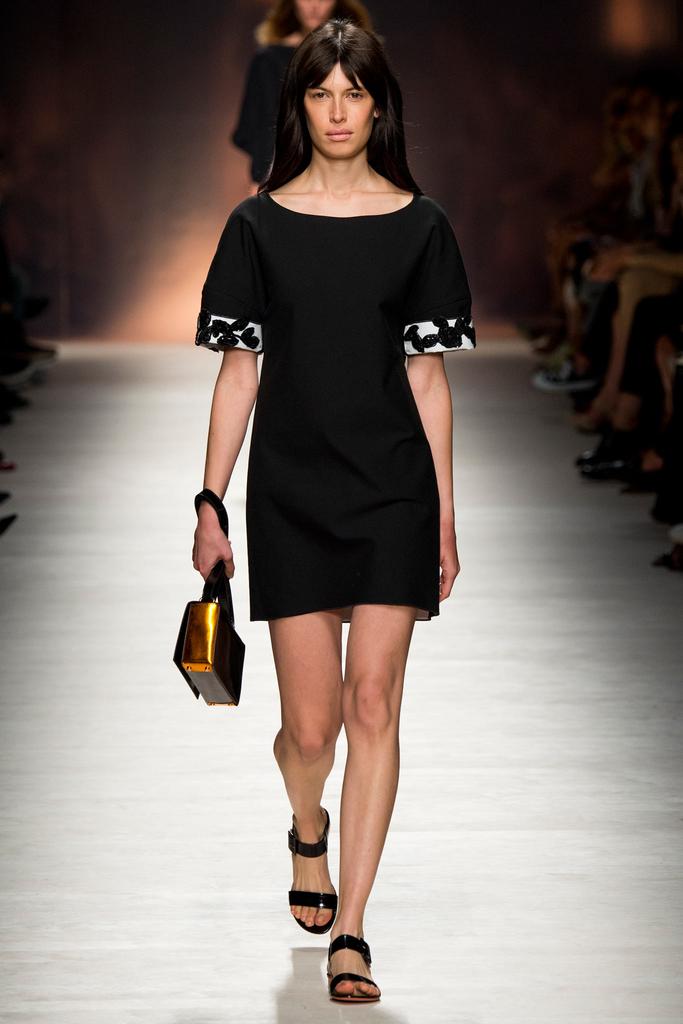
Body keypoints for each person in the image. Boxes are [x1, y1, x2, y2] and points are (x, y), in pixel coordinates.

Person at [192, 17, 476, 1004]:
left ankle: (352, 928)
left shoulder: (421, 224)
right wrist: (209, 500)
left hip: (391, 487)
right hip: (292, 490)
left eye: (354, 93)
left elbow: (428, 379)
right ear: (299, 105)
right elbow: (238, 372)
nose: (339, 111)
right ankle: (305, 825)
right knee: (310, 732)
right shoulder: (257, 225)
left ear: (378, 104)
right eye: (321, 93)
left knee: (373, 705)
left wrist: (443, 516)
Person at [231, 0, 373, 191]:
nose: (314, 5)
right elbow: (261, 128)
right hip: (282, 179)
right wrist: (261, 180)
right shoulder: (270, 60)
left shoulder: (361, 56)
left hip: (351, 177)